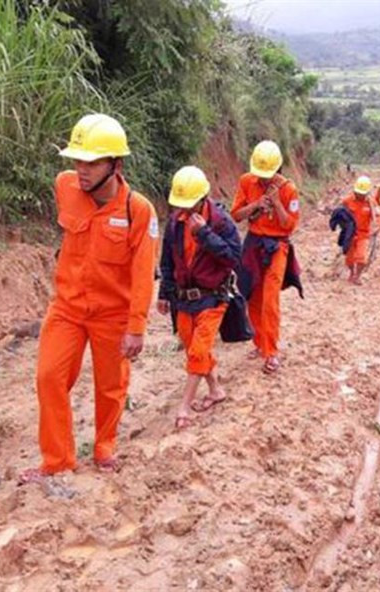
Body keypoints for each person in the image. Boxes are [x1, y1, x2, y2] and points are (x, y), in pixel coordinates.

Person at [22, 114, 158, 482]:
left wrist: (136, 328)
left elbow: (143, 274)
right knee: (49, 377)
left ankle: (104, 446)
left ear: (116, 165)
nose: (81, 170)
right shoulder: (65, 186)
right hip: (66, 308)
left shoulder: (139, 211)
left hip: (112, 315)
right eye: (77, 161)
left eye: (92, 162)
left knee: (111, 386)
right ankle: (58, 460)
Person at [157, 166, 242, 430]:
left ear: (203, 199)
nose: (184, 211)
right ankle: (215, 389)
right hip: (184, 298)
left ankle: (184, 406)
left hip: (213, 297)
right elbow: (168, 260)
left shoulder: (221, 222)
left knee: (199, 349)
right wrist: (164, 292)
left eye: (189, 205)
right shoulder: (174, 223)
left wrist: (205, 235)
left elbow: (233, 257)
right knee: (191, 345)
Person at [231, 140, 303, 375]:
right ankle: (260, 343)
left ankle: (271, 352)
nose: (263, 180)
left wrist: (276, 203)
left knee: (271, 300)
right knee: (251, 295)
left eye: (268, 176)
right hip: (253, 243)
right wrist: (256, 205)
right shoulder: (246, 181)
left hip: (277, 247)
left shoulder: (289, 189)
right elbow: (236, 215)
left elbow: (289, 226)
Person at [340, 175, 375, 284]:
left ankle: (357, 276)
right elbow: (339, 213)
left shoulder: (371, 203)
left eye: (362, 193)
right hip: (350, 235)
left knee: (361, 258)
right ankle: (351, 272)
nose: (360, 195)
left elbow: (377, 216)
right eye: (358, 192)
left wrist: (376, 227)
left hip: (363, 234)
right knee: (349, 259)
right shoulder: (347, 201)